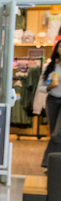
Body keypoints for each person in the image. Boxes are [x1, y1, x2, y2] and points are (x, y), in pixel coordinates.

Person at [40, 40, 61, 168]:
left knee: (57, 134)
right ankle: (56, 165)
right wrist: (49, 87)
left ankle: (49, 164)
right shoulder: (50, 67)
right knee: (54, 133)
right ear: (56, 50)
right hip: (52, 100)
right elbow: (40, 88)